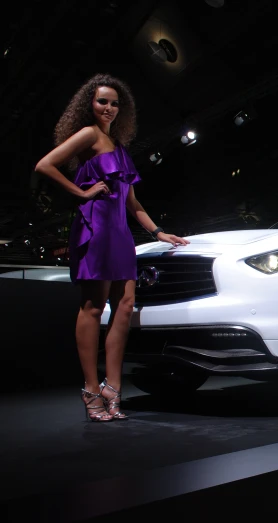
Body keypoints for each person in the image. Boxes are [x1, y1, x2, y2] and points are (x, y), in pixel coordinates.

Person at [34, 73, 189, 422]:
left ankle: (113, 386)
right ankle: (91, 387)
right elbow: (45, 165)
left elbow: (133, 202)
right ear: (89, 103)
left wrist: (159, 231)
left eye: (114, 103)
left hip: (120, 234)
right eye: (102, 101)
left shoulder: (119, 148)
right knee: (93, 307)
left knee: (126, 306)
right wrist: (83, 193)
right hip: (96, 228)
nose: (108, 108)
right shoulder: (88, 134)